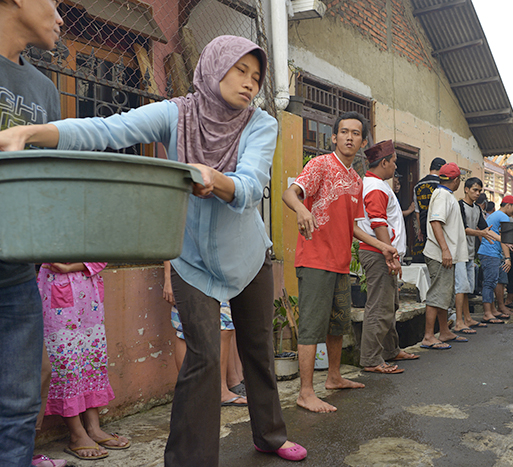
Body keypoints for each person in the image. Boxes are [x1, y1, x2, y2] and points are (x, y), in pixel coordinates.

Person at [0, 36, 307, 464]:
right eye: (240, 70)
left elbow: (252, 184)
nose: (250, 84)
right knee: (202, 358)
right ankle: (188, 460)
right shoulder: (175, 113)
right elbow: (108, 129)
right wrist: (34, 132)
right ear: (214, 66)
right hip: (190, 259)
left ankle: (270, 435)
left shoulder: (260, 124)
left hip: (248, 254)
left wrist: (216, 180)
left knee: (257, 349)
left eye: (256, 77)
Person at [282, 112, 400, 413]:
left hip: (341, 262)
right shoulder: (320, 164)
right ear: (333, 137)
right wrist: (301, 210)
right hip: (314, 260)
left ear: (362, 141)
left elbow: (354, 226)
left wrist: (382, 246)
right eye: (344, 132)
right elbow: (289, 193)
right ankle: (305, 392)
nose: (349, 137)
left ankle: (334, 377)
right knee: (311, 327)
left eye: (356, 133)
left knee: (338, 324)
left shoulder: (356, 180)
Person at [0, 1, 64, 466]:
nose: (60, 17)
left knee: (18, 410)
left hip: (17, 277)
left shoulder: (45, 90)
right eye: (54, 2)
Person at [37, 262, 130, 461]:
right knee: (65, 360)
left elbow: (104, 249)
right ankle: (77, 434)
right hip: (57, 284)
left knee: (90, 355)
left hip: (88, 288)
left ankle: (93, 428)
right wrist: (66, 266)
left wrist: (74, 266)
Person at [357, 140, 418, 374]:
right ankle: (371, 359)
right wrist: (388, 253)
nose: (395, 168)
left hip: (382, 252)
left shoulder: (376, 185)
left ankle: (391, 349)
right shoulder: (375, 187)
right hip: (378, 252)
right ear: (383, 162)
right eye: (393, 163)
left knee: (389, 305)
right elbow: (378, 222)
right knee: (379, 307)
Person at [163, 262, 248, 407]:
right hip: (184, 269)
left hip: (216, 270)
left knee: (225, 327)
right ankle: (188, 391)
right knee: (184, 330)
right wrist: (168, 278)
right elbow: (169, 241)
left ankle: (220, 391)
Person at [420, 163, 470, 349]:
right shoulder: (442, 196)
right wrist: (445, 250)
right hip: (440, 254)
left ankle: (444, 331)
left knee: (443, 294)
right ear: (456, 180)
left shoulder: (444, 194)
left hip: (444, 254)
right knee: (437, 293)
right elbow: (435, 222)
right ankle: (428, 336)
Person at [453, 177, 497, 334]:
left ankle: (468, 318)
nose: (477, 193)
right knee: (461, 287)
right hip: (458, 252)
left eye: (479, 191)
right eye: (474, 190)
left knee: (467, 288)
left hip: (470, 252)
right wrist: (481, 233)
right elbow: (463, 228)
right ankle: (459, 321)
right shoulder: (459, 206)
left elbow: (486, 229)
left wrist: (503, 240)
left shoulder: (477, 209)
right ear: (466, 189)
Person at [477, 196, 513, 324]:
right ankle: (487, 313)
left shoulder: (495, 215)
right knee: (489, 283)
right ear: (509, 205)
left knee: (494, 281)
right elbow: (505, 240)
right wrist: (508, 258)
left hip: (490, 252)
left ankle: (493, 310)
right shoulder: (504, 217)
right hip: (491, 253)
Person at [412, 157, 446, 261]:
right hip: (439, 225)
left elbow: (417, 210)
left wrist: (420, 229)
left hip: (424, 224)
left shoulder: (418, 185)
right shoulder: (441, 185)